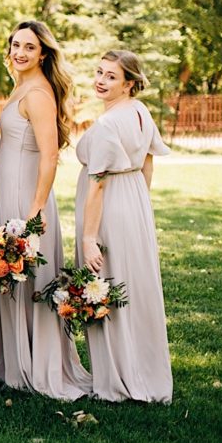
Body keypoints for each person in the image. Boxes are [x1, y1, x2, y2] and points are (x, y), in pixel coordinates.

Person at [0, 20, 91, 400]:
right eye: (16, 45)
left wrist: (35, 207)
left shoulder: (39, 94)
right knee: (13, 275)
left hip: (26, 192)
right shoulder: (21, 86)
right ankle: (17, 363)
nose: (20, 52)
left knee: (29, 276)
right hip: (7, 186)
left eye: (29, 47)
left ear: (43, 53)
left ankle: (40, 365)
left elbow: (50, 154)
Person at [75, 50, 172, 403]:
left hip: (110, 207)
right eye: (99, 72)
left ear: (129, 83)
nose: (100, 80)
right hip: (134, 203)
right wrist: (138, 206)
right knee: (135, 287)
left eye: (111, 76)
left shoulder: (107, 125)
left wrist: (89, 237)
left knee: (110, 287)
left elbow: (97, 184)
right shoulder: (141, 112)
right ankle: (142, 370)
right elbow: (147, 163)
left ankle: (117, 379)